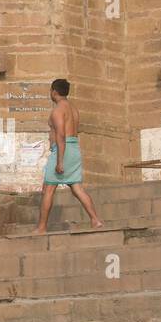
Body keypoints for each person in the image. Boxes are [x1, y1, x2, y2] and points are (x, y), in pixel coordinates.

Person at [37, 78, 103, 234]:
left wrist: (59, 161)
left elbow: (60, 134)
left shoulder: (58, 110)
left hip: (62, 151)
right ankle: (95, 219)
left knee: (48, 189)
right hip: (73, 149)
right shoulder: (73, 109)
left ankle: (41, 227)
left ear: (54, 91)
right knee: (77, 188)